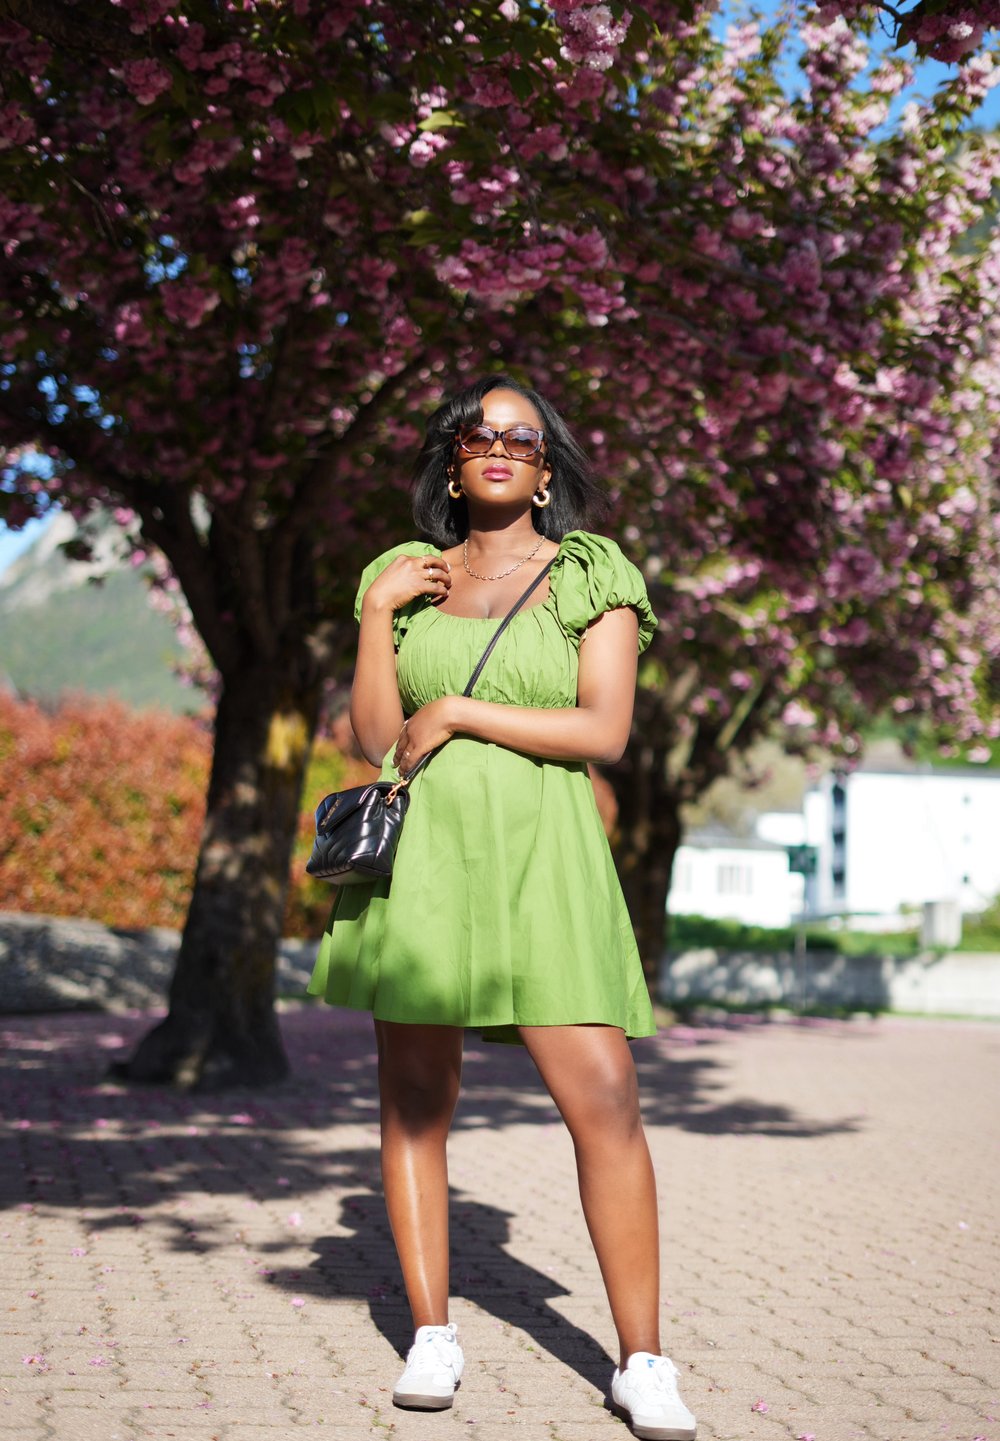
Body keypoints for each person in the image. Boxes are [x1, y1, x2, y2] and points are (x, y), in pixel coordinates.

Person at [308, 375, 697, 1441]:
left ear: (545, 466)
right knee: (415, 1101)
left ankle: (642, 1359)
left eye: (521, 438)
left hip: (547, 857)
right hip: (426, 859)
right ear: (450, 459)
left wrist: (466, 708)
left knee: (605, 1099)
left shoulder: (588, 572)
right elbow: (378, 738)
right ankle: (431, 1332)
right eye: (479, 433)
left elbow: (602, 730)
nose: (499, 448)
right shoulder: (401, 578)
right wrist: (380, 616)